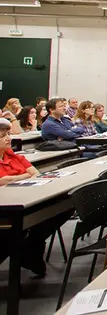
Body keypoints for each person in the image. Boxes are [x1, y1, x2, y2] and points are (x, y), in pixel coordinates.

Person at [0, 118, 72, 276]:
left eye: (8, 134)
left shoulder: (12, 156)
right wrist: (22, 176)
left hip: (26, 199)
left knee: (64, 206)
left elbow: (35, 174)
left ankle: (31, 248)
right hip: (6, 209)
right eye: (2, 136)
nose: (8, 138)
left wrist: (10, 179)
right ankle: (27, 251)